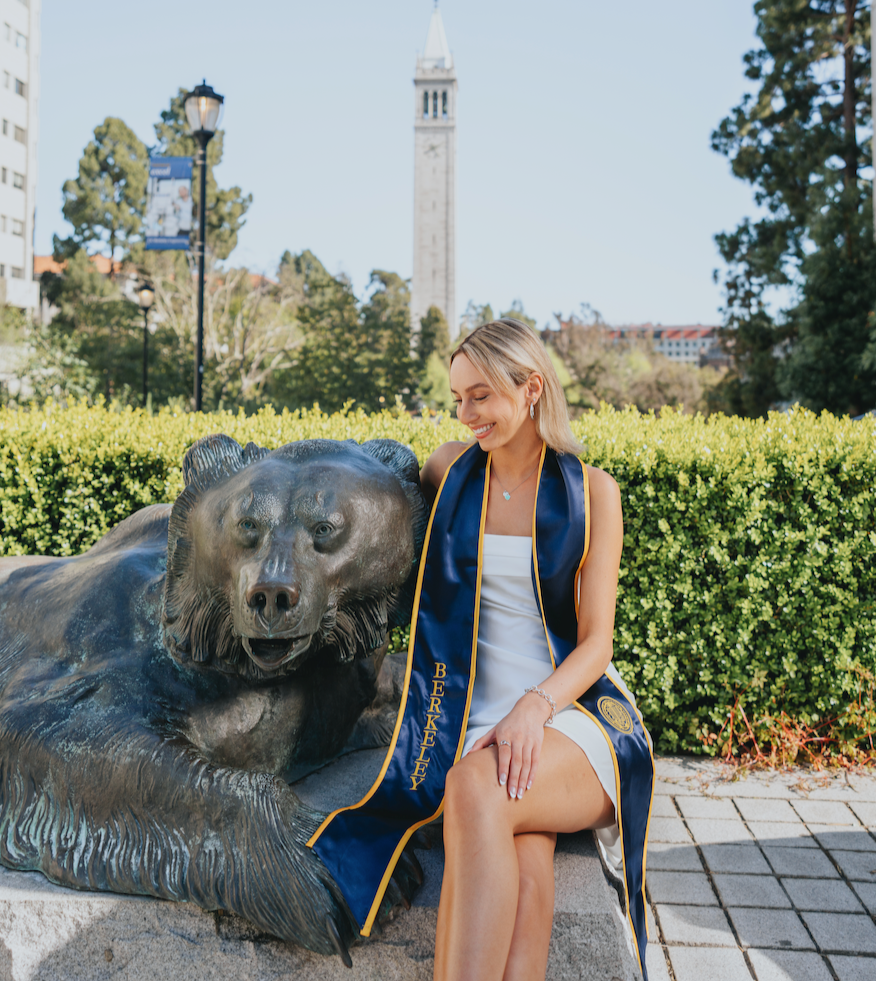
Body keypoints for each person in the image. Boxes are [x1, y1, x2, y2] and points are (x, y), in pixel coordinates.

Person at [308, 319, 653, 981]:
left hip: (573, 712)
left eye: (480, 397)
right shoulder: (450, 471)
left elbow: (597, 641)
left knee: (475, 788)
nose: (466, 414)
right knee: (525, 862)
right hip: (468, 708)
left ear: (531, 388)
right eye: (457, 399)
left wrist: (534, 707)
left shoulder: (592, 493)